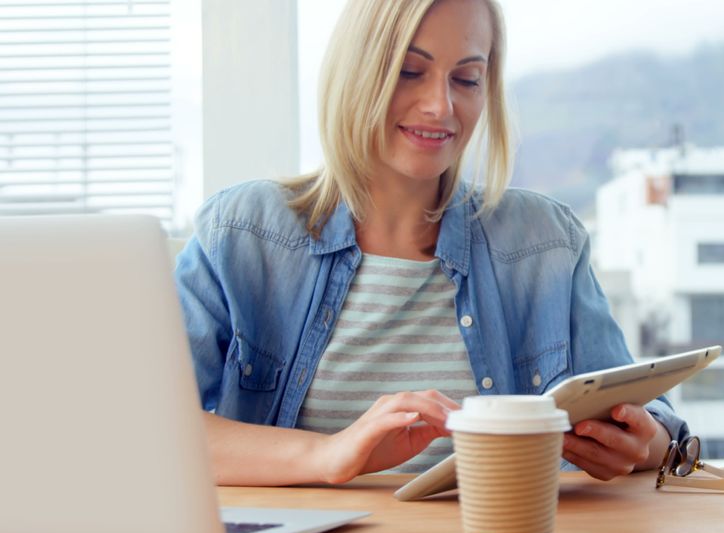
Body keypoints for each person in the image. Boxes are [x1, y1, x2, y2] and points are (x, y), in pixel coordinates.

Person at [174, 0, 688, 487]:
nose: (441, 106)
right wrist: (329, 454)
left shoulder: (545, 243)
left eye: (466, 79)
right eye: (409, 71)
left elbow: (656, 425)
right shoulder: (242, 235)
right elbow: (142, 428)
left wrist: (644, 445)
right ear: (357, 73)